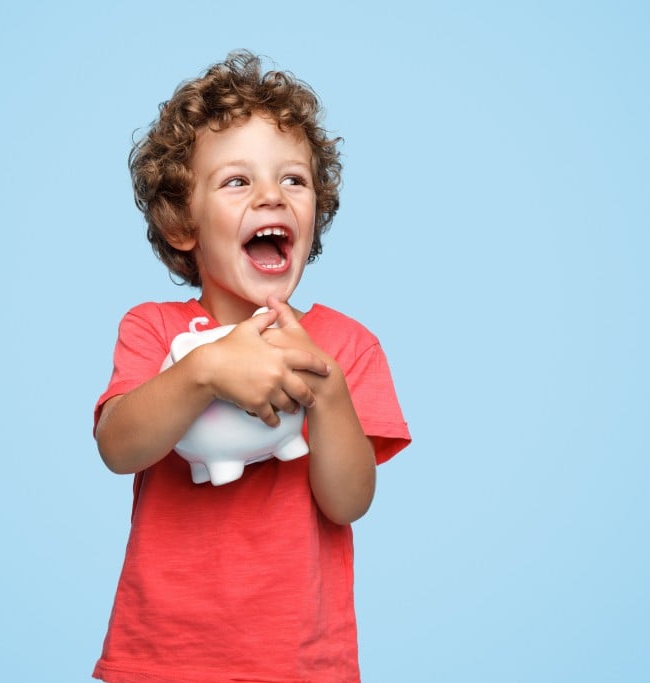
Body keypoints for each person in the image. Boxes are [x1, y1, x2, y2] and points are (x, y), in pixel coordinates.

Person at [92, 50, 411, 683]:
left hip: (299, 662)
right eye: (238, 181)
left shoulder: (345, 345)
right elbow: (118, 448)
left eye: (293, 181)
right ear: (182, 222)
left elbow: (347, 504)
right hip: (162, 658)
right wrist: (205, 370)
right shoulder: (153, 329)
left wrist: (332, 395)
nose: (272, 194)